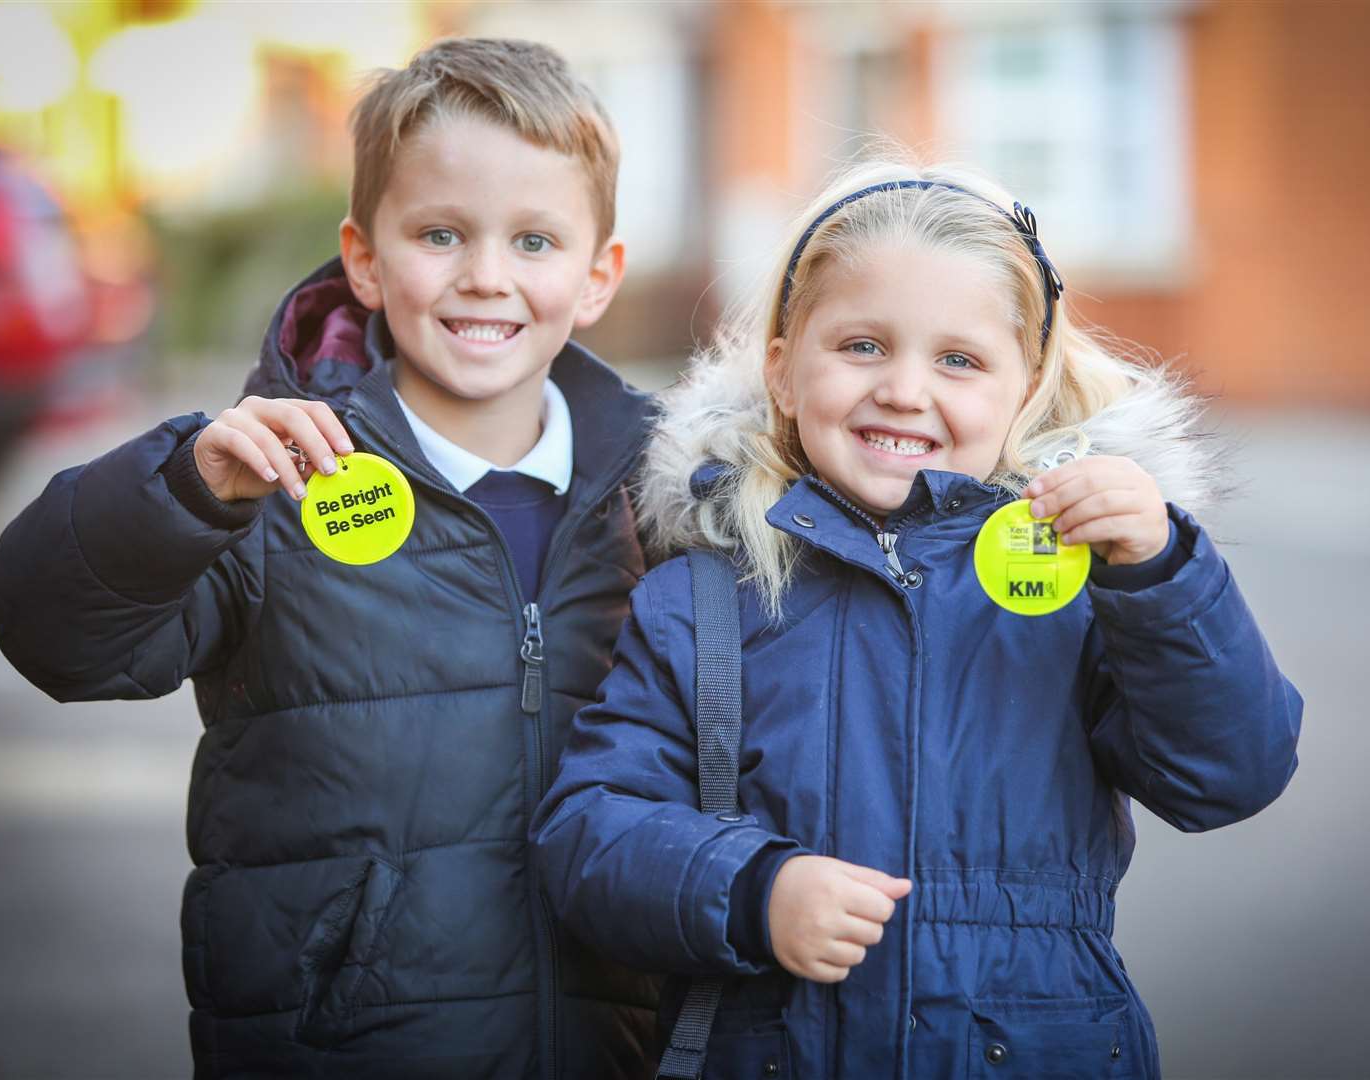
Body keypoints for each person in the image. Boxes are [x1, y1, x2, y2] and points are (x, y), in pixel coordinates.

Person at [530, 159, 1303, 1079]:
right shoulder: (700, 600)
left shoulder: (1092, 585)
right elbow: (589, 828)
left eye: (959, 361)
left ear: (1026, 391)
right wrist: (750, 890)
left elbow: (1229, 774)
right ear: (781, 368)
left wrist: (1163, 575)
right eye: (861, 346)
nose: (903, 389)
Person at [0, 37, 658, 1079]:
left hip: (615, 1044)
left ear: (599, 274)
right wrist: (179, 495)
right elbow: (51, 636)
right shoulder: (266, 481)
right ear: (365, 260)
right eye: (441, 234)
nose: (486, 276)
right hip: (349, 1045)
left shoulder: (668, 499)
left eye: (534, 241)